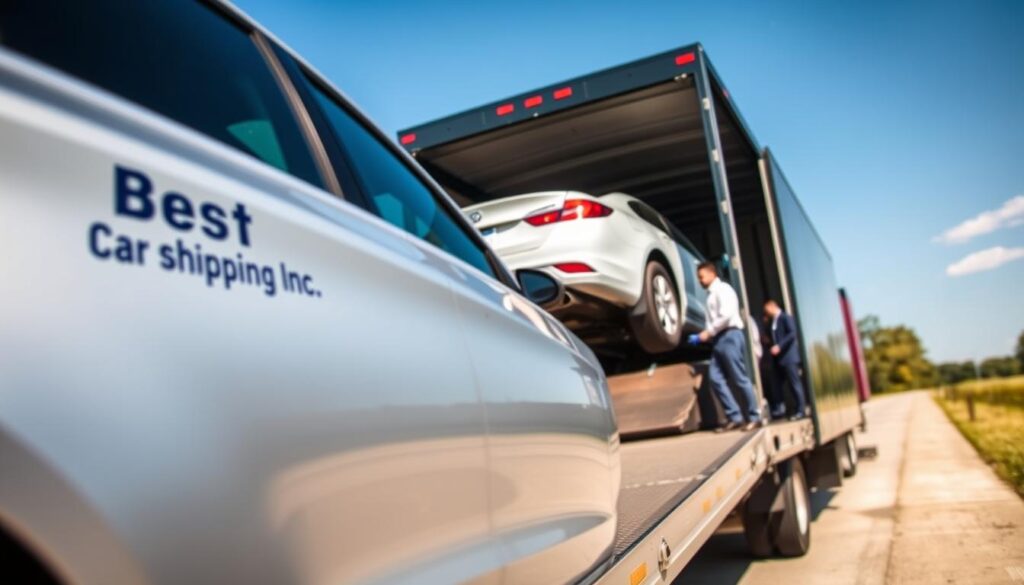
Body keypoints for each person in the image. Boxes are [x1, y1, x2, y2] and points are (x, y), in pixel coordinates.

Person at [689, 262, 761, 431]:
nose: (700, 280)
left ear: (712, 273)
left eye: (701, 276)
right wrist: (706, 335)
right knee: (715, 379)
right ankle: (735, 417)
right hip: (719, 340)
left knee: (739, 377)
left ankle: (754, 416)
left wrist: (708, 332)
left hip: (730, 336)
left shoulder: (723, 290)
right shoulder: (710, 296)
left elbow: (727, 315)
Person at [763, 299, 807, 420]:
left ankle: (801, 410)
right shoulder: (773, 321)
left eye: (766, 310)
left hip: (789, 357)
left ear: (772, 306)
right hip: (780, 359)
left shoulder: (785, 317)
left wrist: (780, 346)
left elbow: (792, 333)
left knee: (795, 384)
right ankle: (780, 409)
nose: (766, 313)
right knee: (778, 384)